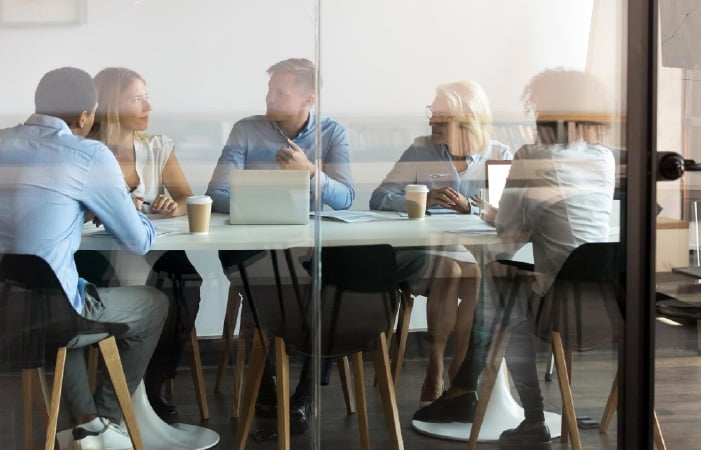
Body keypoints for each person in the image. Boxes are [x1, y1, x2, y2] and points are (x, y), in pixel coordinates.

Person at [413, 68, 616, 449]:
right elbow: (538, 218)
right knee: (501, 284)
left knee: (497, 286)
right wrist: (508, 218)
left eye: (537, 107)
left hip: (556, 303)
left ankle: (523, 414)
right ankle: (463, 388)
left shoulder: (532, 156)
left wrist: (496, 217)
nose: (534, 117)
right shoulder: (602, 159)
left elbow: (507, 237)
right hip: (607, 301)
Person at [0, 67, 168, 450]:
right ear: (84, 117)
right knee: (153, 304)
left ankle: (82, 424)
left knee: (56, 300)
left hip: (7, 306)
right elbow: (137, 241)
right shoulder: (88, 153)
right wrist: (125, 206)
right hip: (54, 313)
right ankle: (107, 420)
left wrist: (76, 210)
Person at [206, 57, 355, 433]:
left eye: (280, 92)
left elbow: (345, 198)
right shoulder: (245, 130)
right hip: (252, 245)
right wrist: (271, 194)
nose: (269, 98)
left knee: (329, 287)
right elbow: (216, 193)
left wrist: (308, 172)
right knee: (270, 281)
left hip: (306, 248)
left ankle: (305, 394)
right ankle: (266, 385)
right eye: (270, 90)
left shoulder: (333, 134)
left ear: (308, 99)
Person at [370, 80, 512, 405]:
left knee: (471, 272)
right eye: (432, 113)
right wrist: (422, 199)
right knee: (451, 268)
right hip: (424, 254)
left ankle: (460, 373)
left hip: (476, 256)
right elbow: (379, 198)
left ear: (467, 119)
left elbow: (509, 213)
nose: (431, 120)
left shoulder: (499, 154)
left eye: (441, 116)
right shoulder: (421, 149)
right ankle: (436, 369)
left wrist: (472, 207)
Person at [86, 66, 199, 424]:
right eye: (137, 99)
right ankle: (118, 395)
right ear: (109, 104)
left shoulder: (157, 147)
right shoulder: (84, 151)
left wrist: (170, 205)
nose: (148, 106)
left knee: (186, 287)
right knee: (136, 295)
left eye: (146, 97)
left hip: (155, 247)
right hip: (98, 255)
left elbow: (185, 198)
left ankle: (148, 388)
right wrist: (108, 212)